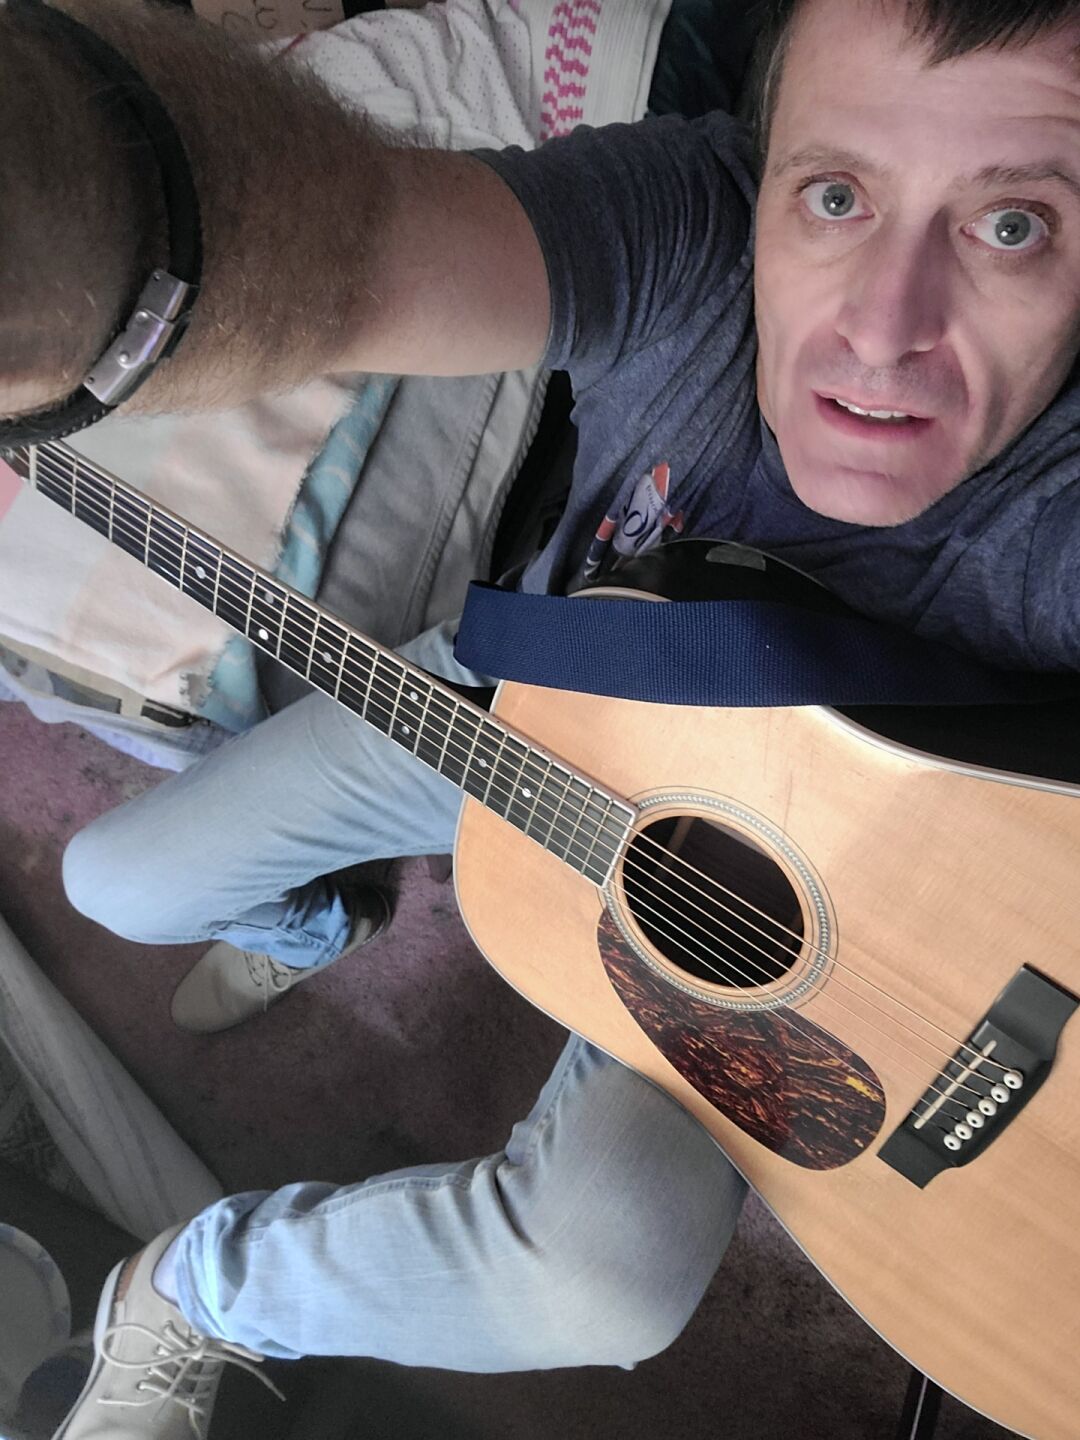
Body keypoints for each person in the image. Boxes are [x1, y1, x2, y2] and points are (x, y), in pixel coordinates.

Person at [11, 0, 1079, 1433]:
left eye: (1014, 226)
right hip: (518, 699)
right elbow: (345, 245)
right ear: (766, 165)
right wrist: (52, 243)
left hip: (796, 944)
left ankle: (197, 1287)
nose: (884, 333)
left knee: (597, 1279)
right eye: (835, 197)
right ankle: (328, 923)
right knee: (116, 884)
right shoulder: (690, 231)